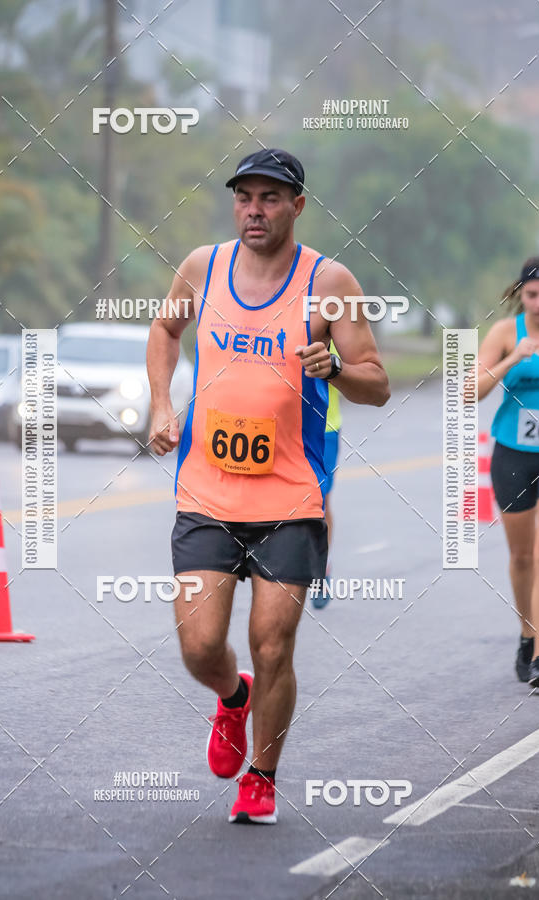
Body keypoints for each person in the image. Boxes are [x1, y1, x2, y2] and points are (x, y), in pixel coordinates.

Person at [147, 148, 390, 824]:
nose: (255, 209)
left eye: (271, 198)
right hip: (205, 490)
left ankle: (262, 774)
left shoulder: (329, 280)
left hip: (289, 498)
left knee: (274, 642)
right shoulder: (204, 266)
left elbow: (378, 382)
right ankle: (231, 698)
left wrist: (336, 364)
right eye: (245, 197)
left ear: (297, 206)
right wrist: (162, 404)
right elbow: (166, 328)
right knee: (199, 645)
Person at [477, 256, 539, 689]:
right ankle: (527, 635)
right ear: (520, 293)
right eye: (532, 295)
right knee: (523, 557)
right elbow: (471, 391)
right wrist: (513, 359)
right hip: (512, 454)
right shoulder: (507, 333)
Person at [312, 343, 341, 610]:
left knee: (319, 502)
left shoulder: (329, 317)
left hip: (325, 428)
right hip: (281, 425)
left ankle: (322, 568)